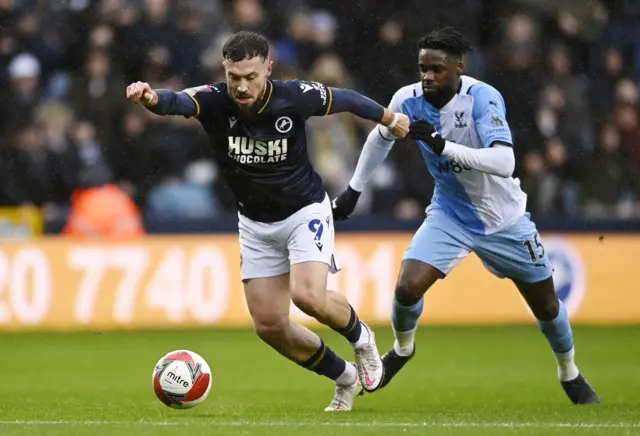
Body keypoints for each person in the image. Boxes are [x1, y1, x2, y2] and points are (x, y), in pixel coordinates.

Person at [126, 31, 410, 411]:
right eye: (234, 77)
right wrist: (149, 97)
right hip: (256, 223)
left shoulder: (293, 96)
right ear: (225, 71)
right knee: (269, 326)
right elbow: (174, 102)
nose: (241, 86)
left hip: (304, 210)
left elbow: (344, 98)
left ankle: (362, 340)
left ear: (268, 69)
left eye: (251, 76)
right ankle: (345, 377)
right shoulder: (213, 100)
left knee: (308, 297)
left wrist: (389, 118)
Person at [331, 26, 599, 405]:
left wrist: (442, 145)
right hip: (450, 214)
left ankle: (568, 370)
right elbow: (380, 137)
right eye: (423, 68)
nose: (427, 76)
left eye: (437, 69)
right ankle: (403, 349)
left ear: (459, 67)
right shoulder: (407, 99)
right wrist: (354, 189)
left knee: (546, 305)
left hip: (505, 218)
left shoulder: (483, 99)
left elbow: (505, 162)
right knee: (407, 287)